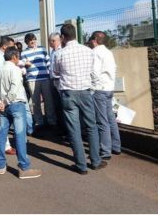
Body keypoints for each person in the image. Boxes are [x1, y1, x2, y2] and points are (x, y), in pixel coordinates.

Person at [55, 24, 106, 174]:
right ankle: (96, 161)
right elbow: (92, 71)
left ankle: (81, 165)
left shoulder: (60, 54)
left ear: (63, 37)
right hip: (85, 92)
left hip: (68, 93)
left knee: (74, 129)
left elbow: (56, 72)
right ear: (75, 35)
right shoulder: (88, 51)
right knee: (91, 126)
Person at [0, 46, 42, 179]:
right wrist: (6, 101)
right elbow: (15, 88)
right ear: (14, 57)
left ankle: (0, 165)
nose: (19, 59)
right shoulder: (15, 69)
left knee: (2, 135)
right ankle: (24, 167)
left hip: (3, 106)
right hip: (16, 105)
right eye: (18, 56)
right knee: (19, 135)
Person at [88, 31, 122, 159]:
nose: (91, 42)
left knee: (102, 121)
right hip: (109, 88)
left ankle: (105, 151)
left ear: (94, 40)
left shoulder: (95, 52)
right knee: (111, 119)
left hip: (99, 89)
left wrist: (94, 86)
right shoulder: (109, 52)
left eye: (91, 39)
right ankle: (116, 146)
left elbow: (94, 72)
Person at [21, 33, 57, 135]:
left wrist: (50, 75)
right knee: (35, 102)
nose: (32, 41)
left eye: (34, 39)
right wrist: (26, 66)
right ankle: (39, 122)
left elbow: (49, 62)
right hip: (32, 80)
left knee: (48, 100)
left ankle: (51, 121)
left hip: (45, 78)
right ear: (26, 42)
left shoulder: (42, 49)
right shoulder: (24, 53)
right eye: (30, 40)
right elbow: (23, 67)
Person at [0, 36, 17, 155]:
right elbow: (3, 73)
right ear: (5, 46)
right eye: (11, 47)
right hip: (0, 92)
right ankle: (5, 146)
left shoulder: (0, 56)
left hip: (4, 91)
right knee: (4, 119)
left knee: (4, 120)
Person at [48, 32, 65, 135]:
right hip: (53, 80)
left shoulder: (62, 51)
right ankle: (60, 125)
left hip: (60, 80)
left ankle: (65, 128)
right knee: (57, 104)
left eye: (52, 41)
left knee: (63, 104)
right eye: (50, 41)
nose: (51, 43)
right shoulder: (52, 52)